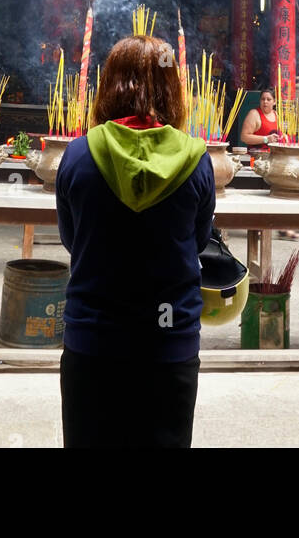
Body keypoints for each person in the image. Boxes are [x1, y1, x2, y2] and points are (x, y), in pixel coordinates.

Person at [55, 35, 215, 448]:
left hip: (93, 336)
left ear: (110, 84)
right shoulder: (197, 159)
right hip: (169, 338)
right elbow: (197, 242)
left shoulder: (77, 155)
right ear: (171, 86)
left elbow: (73, 240)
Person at [240, 88, 299, 239]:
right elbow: (245, 137)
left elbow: (277, 135)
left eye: (268, 99)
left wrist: (283, 137)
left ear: (274, 102)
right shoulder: (254, 114)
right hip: (256, 160)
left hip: (273, 160)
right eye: (263, 99)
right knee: (260, 194)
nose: (265, 102)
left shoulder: (276, 115)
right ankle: (259, 226)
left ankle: (283, 227)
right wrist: (265, 139)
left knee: (280, 190)